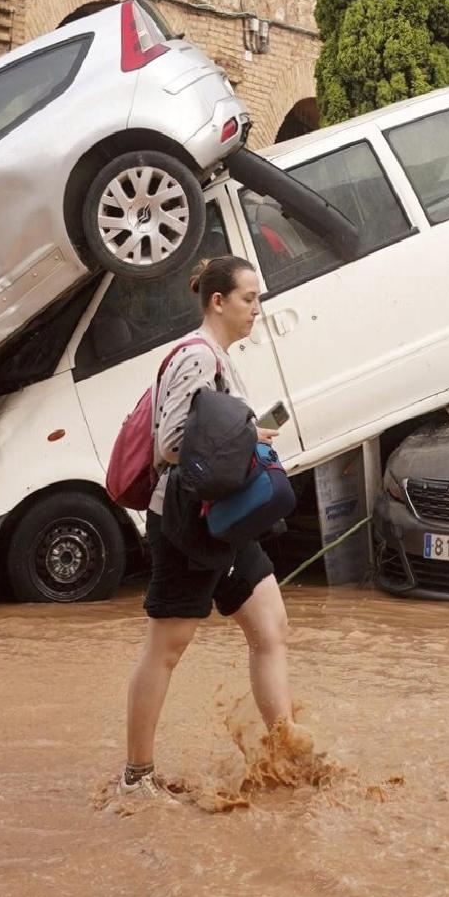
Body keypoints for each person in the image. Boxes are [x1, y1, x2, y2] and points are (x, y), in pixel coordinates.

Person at [120, 255, 300, 800]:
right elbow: (171, 445)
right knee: (167, 647)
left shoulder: (219, 358)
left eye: (259, 299)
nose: (256, 310)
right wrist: (252, 439)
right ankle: (136, 778)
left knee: (271, 629)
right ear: (218, 301)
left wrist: (248, 434)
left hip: (220, 521)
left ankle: (285, 754)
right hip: (185, 525)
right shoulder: (197, 358)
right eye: (249, 299)